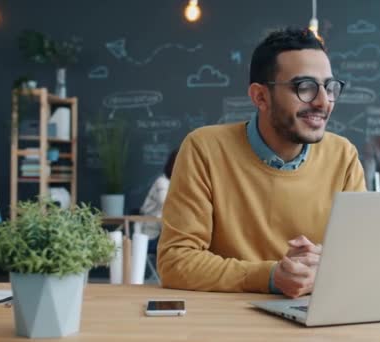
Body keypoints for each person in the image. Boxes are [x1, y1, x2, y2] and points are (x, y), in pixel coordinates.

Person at [157, 27, 366, 298]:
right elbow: (176, 262)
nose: (323, 101)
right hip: (225, 324)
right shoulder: (204, 149)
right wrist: (271, 276)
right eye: (305, 87)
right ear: (260, 97)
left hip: (314, 325)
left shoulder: (344, 156)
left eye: (329, 87)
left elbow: (363, 258)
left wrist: (325, 265)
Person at [135, 148, 179, 253]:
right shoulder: (162, 182)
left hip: (163, 235)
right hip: (150, 237)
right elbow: (166, 204)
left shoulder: (178, 185)